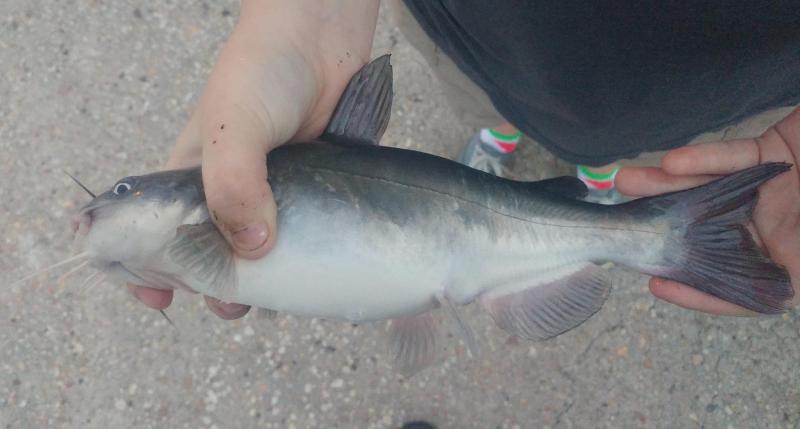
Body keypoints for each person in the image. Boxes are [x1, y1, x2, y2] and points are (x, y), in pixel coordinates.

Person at [129, 0, 800, 319]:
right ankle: (541, 156)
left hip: (681, 94)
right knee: (484, 101)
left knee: (620, 148)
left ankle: (592, 180)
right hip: (469, 35)